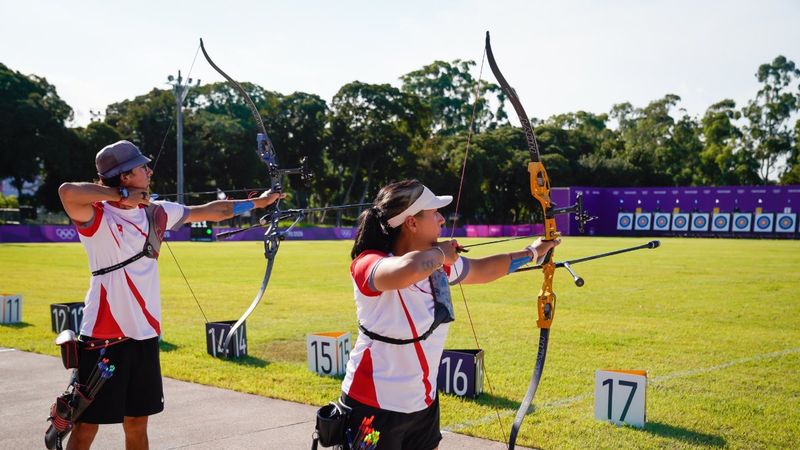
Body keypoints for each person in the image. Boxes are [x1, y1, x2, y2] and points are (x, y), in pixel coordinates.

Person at [57, 140, 284, 450]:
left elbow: (212, 210)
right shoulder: (96, 216)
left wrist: (257, 203)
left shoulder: (157, 212)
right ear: (124, 176)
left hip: (145, 335)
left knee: (137, 423)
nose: (149, 170)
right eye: (141, 167)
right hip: (104, 336)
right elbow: (67, 192)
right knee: (86, 426)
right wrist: (119, 196)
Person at [341, 179, 560, 450]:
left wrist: (533, 252)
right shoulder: (369, 263)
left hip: (423, 403)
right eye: (434, 213)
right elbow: (402, 272)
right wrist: (439, 253)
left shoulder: (436, 267)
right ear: (412, 223)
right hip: (372, 404)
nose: (442, 219)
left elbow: (484, 270)